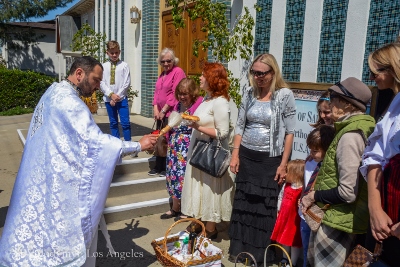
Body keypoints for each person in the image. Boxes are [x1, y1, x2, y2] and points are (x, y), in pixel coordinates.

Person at [0, 56, 157, 267]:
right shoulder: (70, 103)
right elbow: (96, 144)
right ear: (79, 73)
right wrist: (138, 145)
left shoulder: (53, 92)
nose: (97, 86)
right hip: (56, 181)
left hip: (38, 176)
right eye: (95, 79)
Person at [228, 53, 296, 265]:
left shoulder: (284, 95)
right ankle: (242, 252)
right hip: (247, 157)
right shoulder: (249, 93)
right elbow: (240, 125)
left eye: (262, 73)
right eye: (254, 73)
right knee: (244, 206)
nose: (257, 77)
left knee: (264, 209)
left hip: (270, 161)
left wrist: (283, 164)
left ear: (272, 73)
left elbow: (290, 133)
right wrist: (235, 154)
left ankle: (261, 255)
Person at [301, 77, 375, 267]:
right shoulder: (348, 129)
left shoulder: (351, 136)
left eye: (334, 96)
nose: (330, 101)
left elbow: (347, 192)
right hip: (339, 218)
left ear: (347, 104)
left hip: (338, 223)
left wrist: (313, 196)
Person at [179, 62, 234, 239]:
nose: (200, 78)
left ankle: (210, 228)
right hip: (199, 151)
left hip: (210, 154)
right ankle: (197, 222)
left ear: (212, 79)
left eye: (203, 75)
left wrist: (196, 126)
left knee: (210, 190)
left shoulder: (220, 102)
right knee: (199, 189)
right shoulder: (206, 99)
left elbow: (223, 133)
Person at [360, 42, 400, 267]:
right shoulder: (396, 102)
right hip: (387, 208)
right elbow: (375, 153)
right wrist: (375, 209)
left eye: (375, 72)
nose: (372, 78)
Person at [160, 78, 203, 219]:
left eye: (185, 94)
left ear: (192, 94)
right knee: (172, 176)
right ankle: (175, 207)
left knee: (184, 178)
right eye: (180, 93)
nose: (182, 97)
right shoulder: (177, 106)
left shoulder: (198, 106)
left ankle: (186, 209)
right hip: (174, 147)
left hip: (187, 148)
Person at [299, 125, 335, 267]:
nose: (312, 153)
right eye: (310, 150)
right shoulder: (309, 162)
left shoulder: (329, 168)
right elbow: (305, 182)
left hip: (318, 217)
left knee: (315, 254)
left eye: (316, 151)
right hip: (304, 215)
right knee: (306, 251)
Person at [150, 48, 186, 176]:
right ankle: (158, 165)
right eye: (163, 61)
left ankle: (166, 166)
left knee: (167, 140)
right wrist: (155, 108)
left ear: (173, 60)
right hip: (160, 113)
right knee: (159, 139)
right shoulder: (162, 74)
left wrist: (164, 110)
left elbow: (175, 93)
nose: (165, 64)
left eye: (168, 61)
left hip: (171, 113)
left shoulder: (178, 72)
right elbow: (157, 93)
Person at [271, 159, 305, 267]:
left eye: (288, 172)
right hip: (284, 216)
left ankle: (293, 262)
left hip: (295, 219)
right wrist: (278, 210)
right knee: (284, 239)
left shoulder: (302, 189)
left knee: (294, 242)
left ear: (296, 174)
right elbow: (281, 197)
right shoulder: (287, 186)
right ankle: (285, 257)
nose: (285, 174)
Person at [100, 40, 132, 142]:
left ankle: (128, 145)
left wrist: (117, 96)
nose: (114, 55)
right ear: (107, 53)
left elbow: (126, 83)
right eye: (112, 53)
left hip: (121, 99)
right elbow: (101, 82)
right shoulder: (103, 66)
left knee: (125, 123)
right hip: (109, 99)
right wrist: (111, 95)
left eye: (116, 52)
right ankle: (116, 145)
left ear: (120, 52)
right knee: (113, 123)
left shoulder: (124, 65)